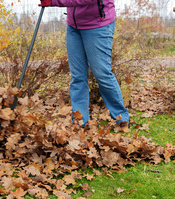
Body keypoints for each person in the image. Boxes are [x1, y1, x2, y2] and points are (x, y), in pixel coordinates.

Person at [39, 0, 129, 128]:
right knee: (77, 76)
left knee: (102, 74)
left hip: (98, 24)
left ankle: (122, 120)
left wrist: (54, 1)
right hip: (73, 26)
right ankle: (79, 122)